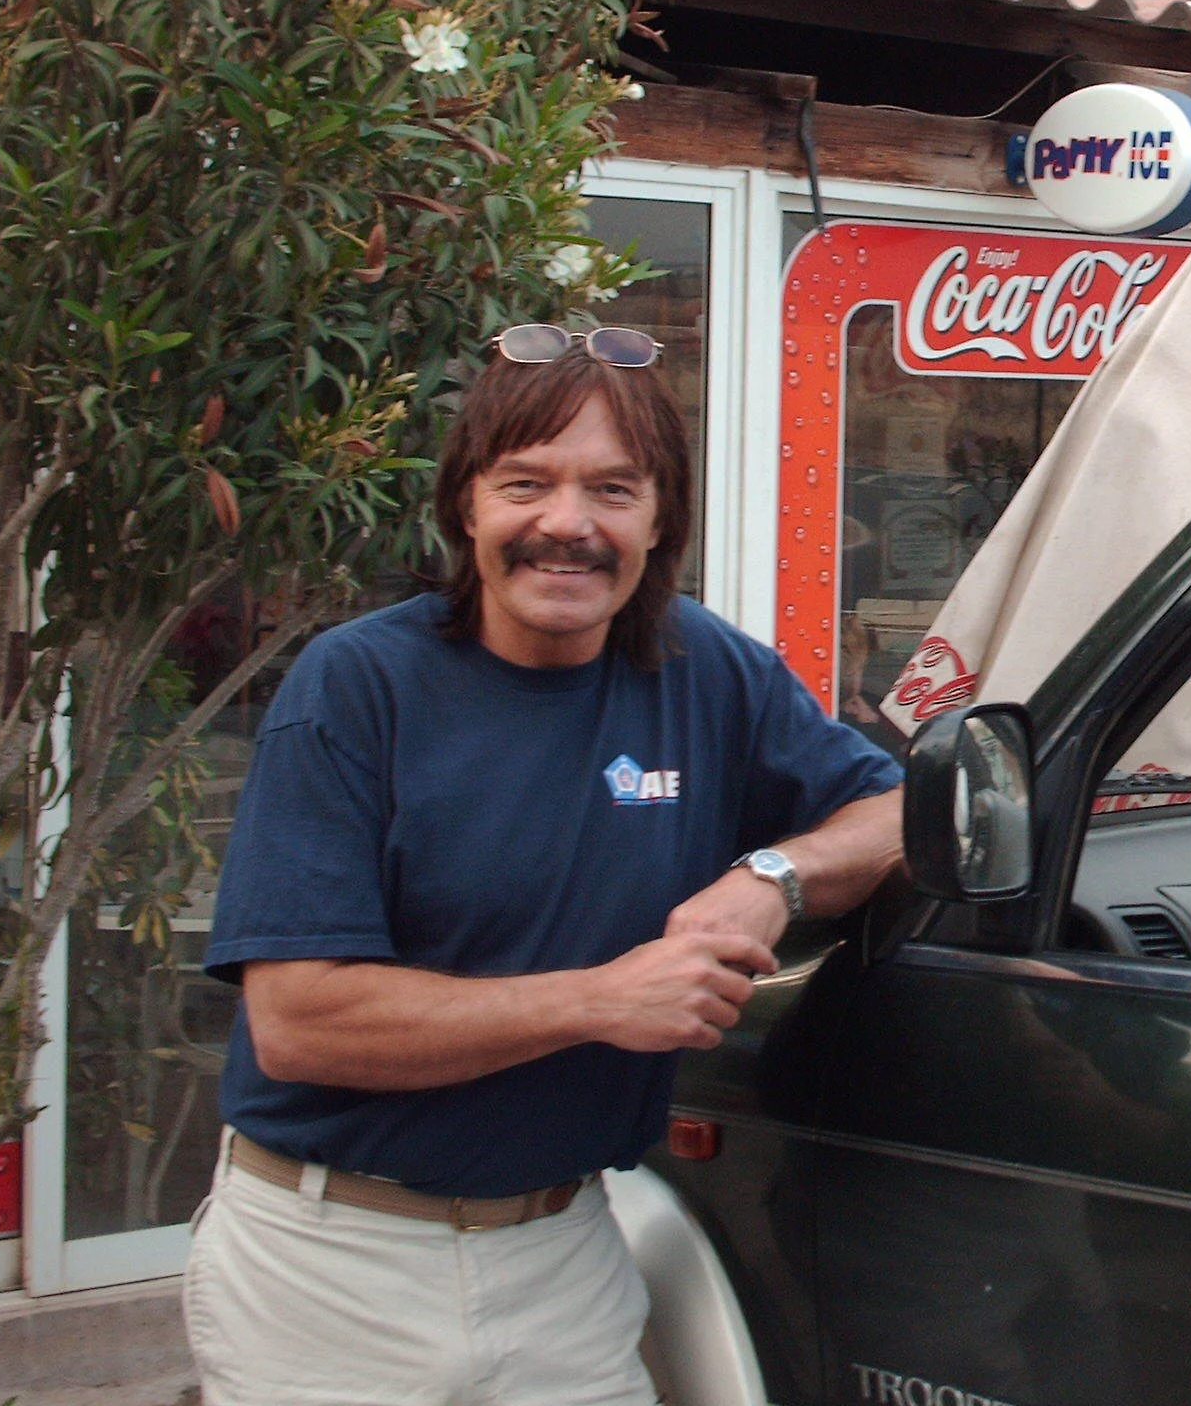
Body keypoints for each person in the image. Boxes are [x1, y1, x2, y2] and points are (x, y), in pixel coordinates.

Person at [186, 325, 904, 1405]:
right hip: (331, 1269)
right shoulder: (358, 687)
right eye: (526, 483)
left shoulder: (701, 668)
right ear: (466, 505)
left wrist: (772, 876)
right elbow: (298, 1023)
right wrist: (600, 1002)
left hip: (565, 1252)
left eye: (613, 489)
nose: (566, 526)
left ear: (661, 520)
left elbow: (902, 813)